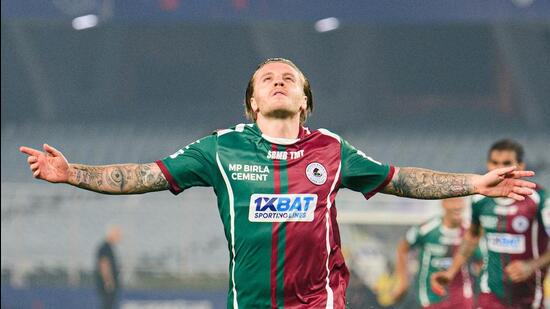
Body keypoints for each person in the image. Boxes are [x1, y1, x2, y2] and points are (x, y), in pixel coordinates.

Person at [20, 58, 537, 308]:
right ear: (253, 102)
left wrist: (475, 182)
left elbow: (402, 180)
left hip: (320, 301)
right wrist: (73, 174)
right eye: (267, 78)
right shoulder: (220, 148)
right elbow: (142, 175)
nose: (279, 80)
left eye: (290, 76)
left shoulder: (331, 150)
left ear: (306, 101)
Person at [431, 139, 549, 309]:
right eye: (495, 163)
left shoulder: (538, 199)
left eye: (507, 163)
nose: (499, 168)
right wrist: (450, 272)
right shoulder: (480, 199)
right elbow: (472, 236)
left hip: (529, 295)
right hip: (490, 290)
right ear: (488, 164)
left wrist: (531, 266)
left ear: (520, 166)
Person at [391, 197, 480, 309]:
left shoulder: (470, 232)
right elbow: (403, 248)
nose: (457, 206)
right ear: (443, 203)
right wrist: (402, 280)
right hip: (430, 296)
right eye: (453, 201)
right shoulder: (426, 229)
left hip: (462, 296)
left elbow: (481, 260)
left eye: (460, 201)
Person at [95, 226, 122, 309]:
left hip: (108, 285)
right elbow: (104, 265)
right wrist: (108, 281)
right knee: (107, 305)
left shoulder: (108, 248)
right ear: (111, 235)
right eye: (117, 235)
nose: (119, 237)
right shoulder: (105, 248)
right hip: (107, 285)